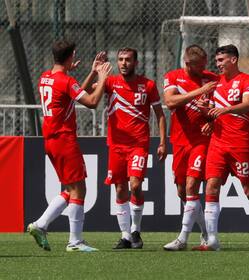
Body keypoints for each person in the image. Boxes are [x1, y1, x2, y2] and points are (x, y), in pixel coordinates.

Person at [28, 40, 112, 252]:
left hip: (51, 141)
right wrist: (102, 78)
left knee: (70, 189)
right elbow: (92, 101)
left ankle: (40, 225)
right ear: (70, 56)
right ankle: (75, 242)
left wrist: (92, 73)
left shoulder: (45, 77)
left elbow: (71, 96)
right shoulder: (65, 81)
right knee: (79, 189)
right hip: (64, 140)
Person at [192, 44, 249, 251]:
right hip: (218, 144)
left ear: (233, 60)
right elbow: (211, 110)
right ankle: (212, 241)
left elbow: (247, 105)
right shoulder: (216, 84)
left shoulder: (247, 80)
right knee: (211, 186)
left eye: (221, 60)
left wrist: (223, 110)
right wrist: (207, 114)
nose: (218, 64)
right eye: (217, 61)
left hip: (240, 144)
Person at [101, 47, 167, 249]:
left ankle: (136, 229)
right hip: (116, 145)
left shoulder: (147, 85)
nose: (123, 63)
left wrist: (163, 142)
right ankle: (126, 235)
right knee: (120, 188)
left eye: (128, 60)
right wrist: (96, 73)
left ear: (136, 63)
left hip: (138, 144)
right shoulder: (110, 82)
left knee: (135, 185)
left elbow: (160, 115)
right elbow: (87, 93)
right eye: (120, 59)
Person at [162, 45, 218, 251]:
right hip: (179, 141)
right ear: (187, 63)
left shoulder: (211, 78)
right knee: (181, 191)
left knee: (192, 184)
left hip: (202, 142)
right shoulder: (173, 77)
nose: (204, 69)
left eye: (205, 65)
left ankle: (182, 238)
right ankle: (204, 232)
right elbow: (170, 102)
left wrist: (213, 122)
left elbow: (223, 104)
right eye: (200, 66)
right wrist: (200, 91)